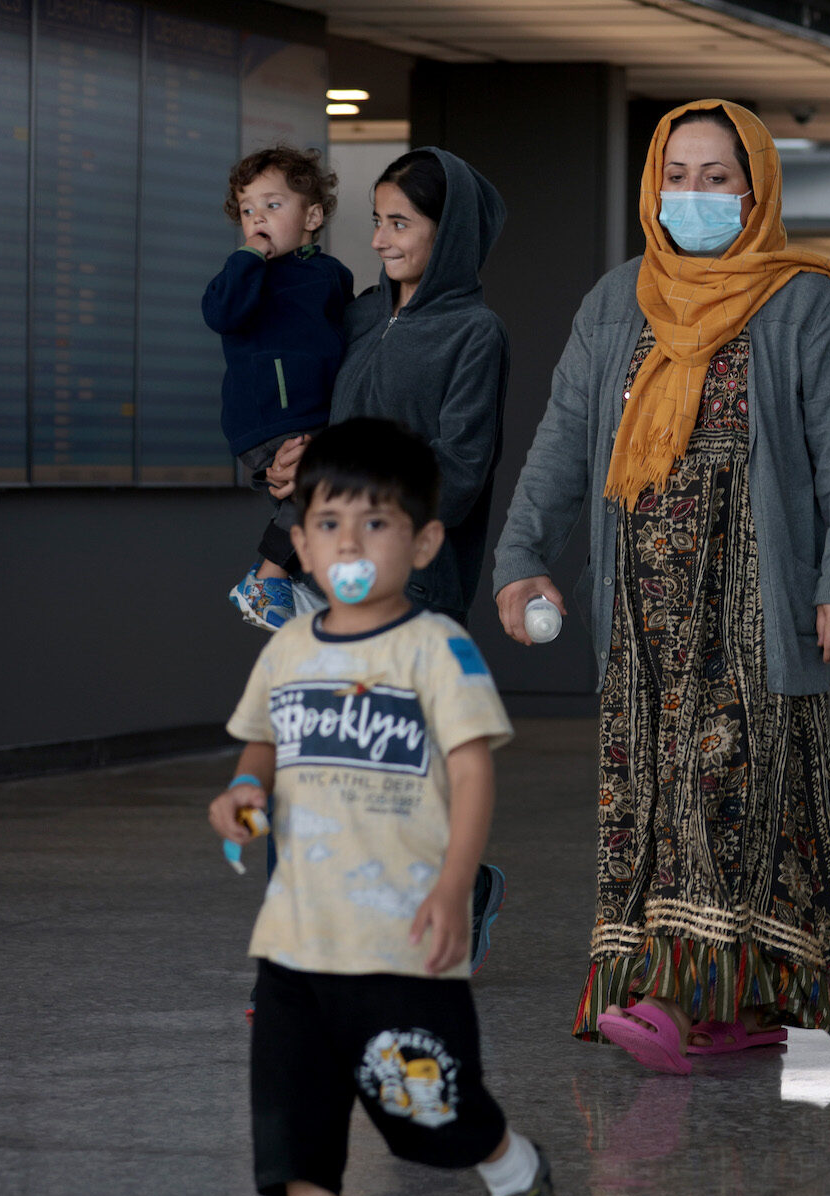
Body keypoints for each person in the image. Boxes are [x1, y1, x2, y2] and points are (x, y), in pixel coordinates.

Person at [492, 100, 830, 1072]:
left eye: (718, 177)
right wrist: (521, 554)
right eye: (678, 175)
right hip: (644, 604)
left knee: (729, 791)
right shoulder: (619, 299)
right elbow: (560, 442)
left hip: (756, 596)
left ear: (755, 188)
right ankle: (720, 1002)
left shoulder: (804, 299)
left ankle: (677, 999)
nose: (695, 196)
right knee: (651, 792)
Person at [208, 418, 553, 1196]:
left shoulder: (434, 650)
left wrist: (452, 886)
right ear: (302, 537)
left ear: (424, 543)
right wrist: (245, 789)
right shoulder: (291, 647)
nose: (349, 545)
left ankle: (509, 1161)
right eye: (328, 524)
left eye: (376, 524)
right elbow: (263, 740)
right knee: (296, 1143)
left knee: (427, 1112)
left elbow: (471, 776)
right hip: (295, 942)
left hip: (400, 939)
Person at [262, 146, 513, 973]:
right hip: (327, 582)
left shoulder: (476, 334)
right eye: (376, 220)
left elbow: (461, 471)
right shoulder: (362, 316)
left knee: (402, 773)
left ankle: (457, 889)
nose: (380, 239)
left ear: (453, 233)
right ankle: (317, 944)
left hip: (417, 588)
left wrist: (369, 511)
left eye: (400, 223)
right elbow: (314, 418)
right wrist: (284, 464)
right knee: (316, 768)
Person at [207, 145, 354, 632]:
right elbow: (221, 314)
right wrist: (249, 257)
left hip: (316, 416)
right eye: (247, 210)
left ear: (312, 216)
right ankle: (267, 577)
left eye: (272, 205)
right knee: (321, 489)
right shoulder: (245, 275)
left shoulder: (331, 275)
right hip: (269, 418)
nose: (257, 219)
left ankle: (296, 581)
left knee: (330, 500)